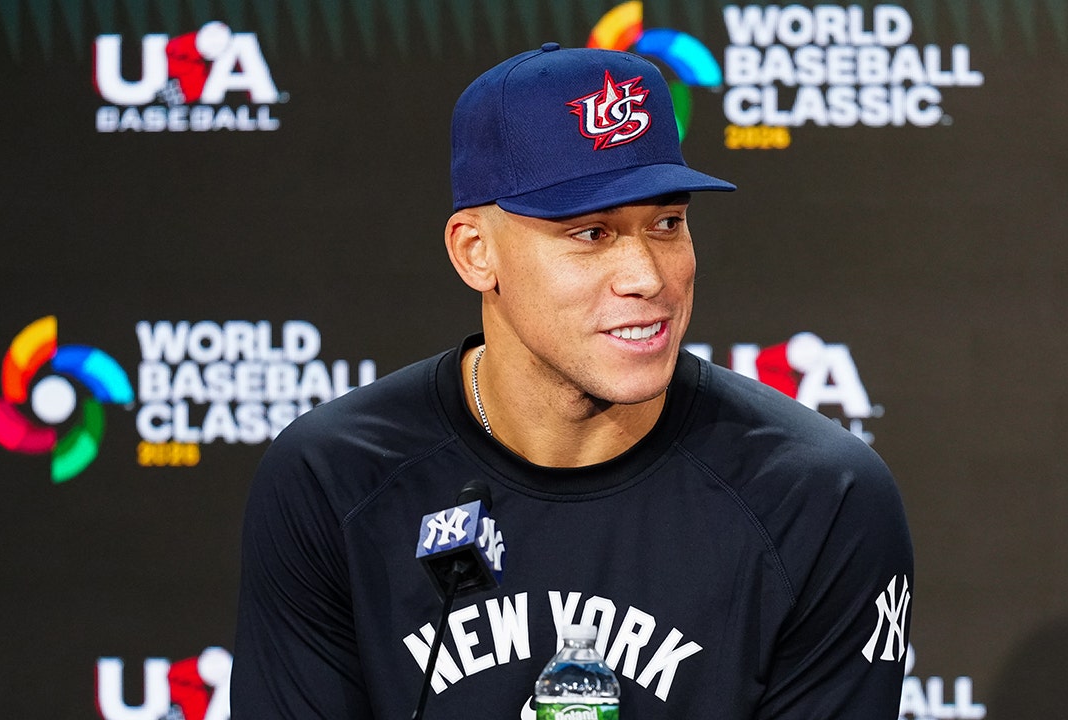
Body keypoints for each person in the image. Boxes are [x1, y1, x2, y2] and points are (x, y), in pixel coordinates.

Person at [232, 43, 913, 719]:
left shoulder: (817, 497)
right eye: (591, 234)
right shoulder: (334, 479)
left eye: (667, 224)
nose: (648, 277)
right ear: (475, 251)